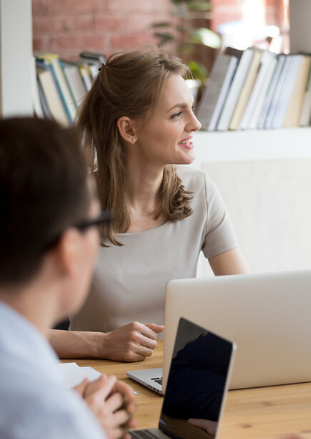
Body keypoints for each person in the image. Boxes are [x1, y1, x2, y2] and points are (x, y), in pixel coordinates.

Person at [0, 116, 311, 439]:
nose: (194, 123)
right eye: (95, 222)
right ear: (70, 250)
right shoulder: (43, 418)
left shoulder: (41, 403)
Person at [47, 46, 250, 362]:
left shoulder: (201, 192)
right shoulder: (71, 203)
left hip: (177, 377)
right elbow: (13, 329)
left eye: (192, 109)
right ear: (129, 129)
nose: (195, 124)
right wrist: (101, 344)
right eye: (177, 113)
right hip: (99, 386)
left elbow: (248, 301)